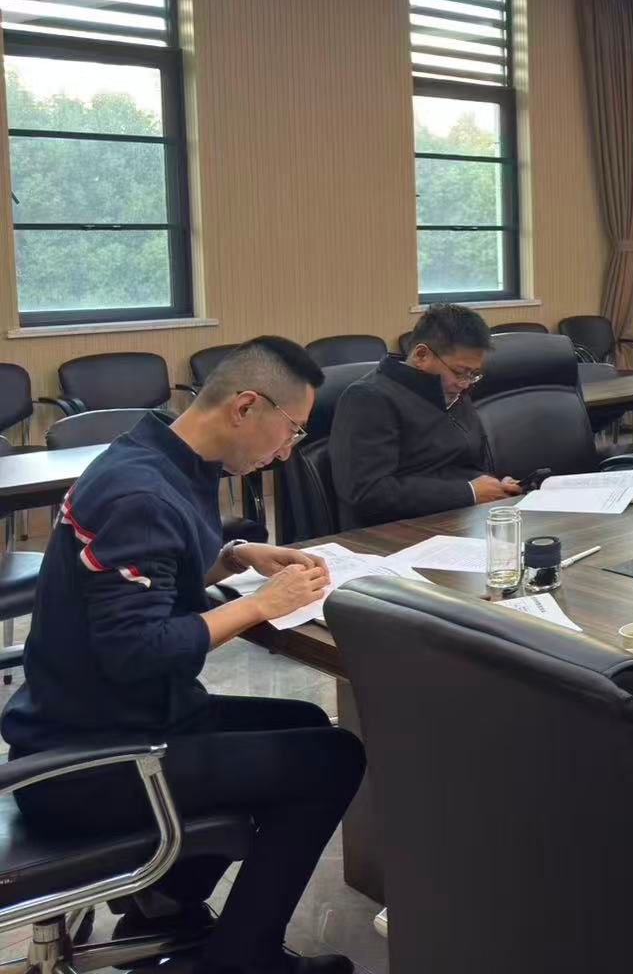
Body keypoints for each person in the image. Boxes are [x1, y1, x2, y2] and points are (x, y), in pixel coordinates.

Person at [1, 337, 364, 974]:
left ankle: (164, 904)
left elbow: (153, 573)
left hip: (114, 716)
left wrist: (233, 558)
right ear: (245, 406)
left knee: (305, 724)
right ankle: (242, 959)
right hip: (88, 762)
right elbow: (137, 651)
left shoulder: (160, 456)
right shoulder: (140, 493)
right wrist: (261, 604)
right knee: (334, 760)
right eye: (291, 429)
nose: (289, 450)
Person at [330, 303, 519, 528]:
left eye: (473, 374)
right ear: (422, 355)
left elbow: (466, 463)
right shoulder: (369, 398)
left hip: (458, 520)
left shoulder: (452, 390)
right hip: (393, 532)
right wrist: (467, 492)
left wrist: (493, 486)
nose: (465, 383)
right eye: (460, 372)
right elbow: (367, 491)